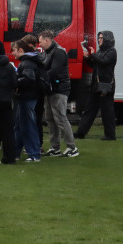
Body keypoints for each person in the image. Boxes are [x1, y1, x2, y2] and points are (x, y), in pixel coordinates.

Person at [39, 30, 78, 158]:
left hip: (60, 89)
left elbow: (54, 71)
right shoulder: (49, 52)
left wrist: (39, 78)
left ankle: (72, 147)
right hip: (50, 90)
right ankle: (55, 147)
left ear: (47, 40)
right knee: (50, 119)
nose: (40, 45)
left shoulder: (59, 52)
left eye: (40, 42)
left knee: (60, 118)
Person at [75, 31, 117, 141]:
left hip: (106, 85)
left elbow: (103, 62)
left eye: (101, 38)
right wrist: (87, 57)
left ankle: (110, 135)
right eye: (99, 38)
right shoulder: (100, 51)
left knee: (107, 111)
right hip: (96, 85)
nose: (99, 40)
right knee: (89, 109)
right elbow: (94, 65)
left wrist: (93, 55)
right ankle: (81, 132)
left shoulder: (112, 51)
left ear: (107, 39)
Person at [14, 39, 45, 162]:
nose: (13, 53)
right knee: (20, 125)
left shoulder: (27, 62)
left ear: (21, 50)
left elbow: (29, 79)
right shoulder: (30, 61)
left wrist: (15, 81)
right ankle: (16, 152)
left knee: (28, 125)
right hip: (28, 96)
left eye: (14, 50)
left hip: (27, 96)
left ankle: (34, 154)